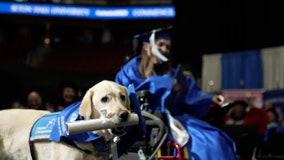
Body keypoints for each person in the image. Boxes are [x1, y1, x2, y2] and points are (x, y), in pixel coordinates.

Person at [115, 27, 237, 160]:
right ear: (147, 47)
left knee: (216, 138)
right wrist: (166, 83)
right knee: (204, 144)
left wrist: (211, 98)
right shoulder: (131, 69)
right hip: (147, 122)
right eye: (161, 44)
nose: (165, 50)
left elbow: (191, 95)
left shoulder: (172, 73)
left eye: (168, 47)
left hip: (176, 118)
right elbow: (132, 90)